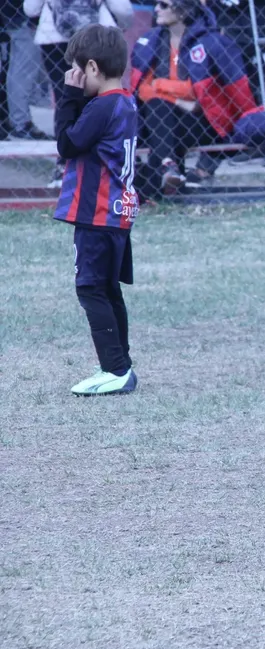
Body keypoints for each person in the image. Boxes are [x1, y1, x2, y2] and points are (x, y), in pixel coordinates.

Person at [53, 23, 139, 396]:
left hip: (97, 212)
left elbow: (68, 144)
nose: (72, 76)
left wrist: (69, 96)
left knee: (91, 288)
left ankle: (116, 369)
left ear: (91, 68)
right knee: (107, 289)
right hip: (116, 213)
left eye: (75, 69)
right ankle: (119, 363)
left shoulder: (101, 106)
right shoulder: (123, 100)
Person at [129, 0, 255, 193]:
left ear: (182, 10)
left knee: (159, 106)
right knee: (156, 105)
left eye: (163, 5)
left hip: (204, 123)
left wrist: (159, 84)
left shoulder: (211, 42)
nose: (156, 10)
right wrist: (179, 100)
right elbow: (143, 91)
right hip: (165, 119)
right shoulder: (151, 41)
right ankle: (168, 166)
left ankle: (162, 173)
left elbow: (194, 90)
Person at [24, 0, 133, 184]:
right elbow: (122, 8)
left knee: (64, 95)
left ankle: (64, 164)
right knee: (101, 94)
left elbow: (30, 8)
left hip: (54, 38)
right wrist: (120, 27)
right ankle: (101, 157)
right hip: (98, 36)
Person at [1, 0, 52, 140]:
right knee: (24, 66)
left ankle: (17, 121)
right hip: (20, 13)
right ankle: (20, 122)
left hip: (15, 12)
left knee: (19, 64)